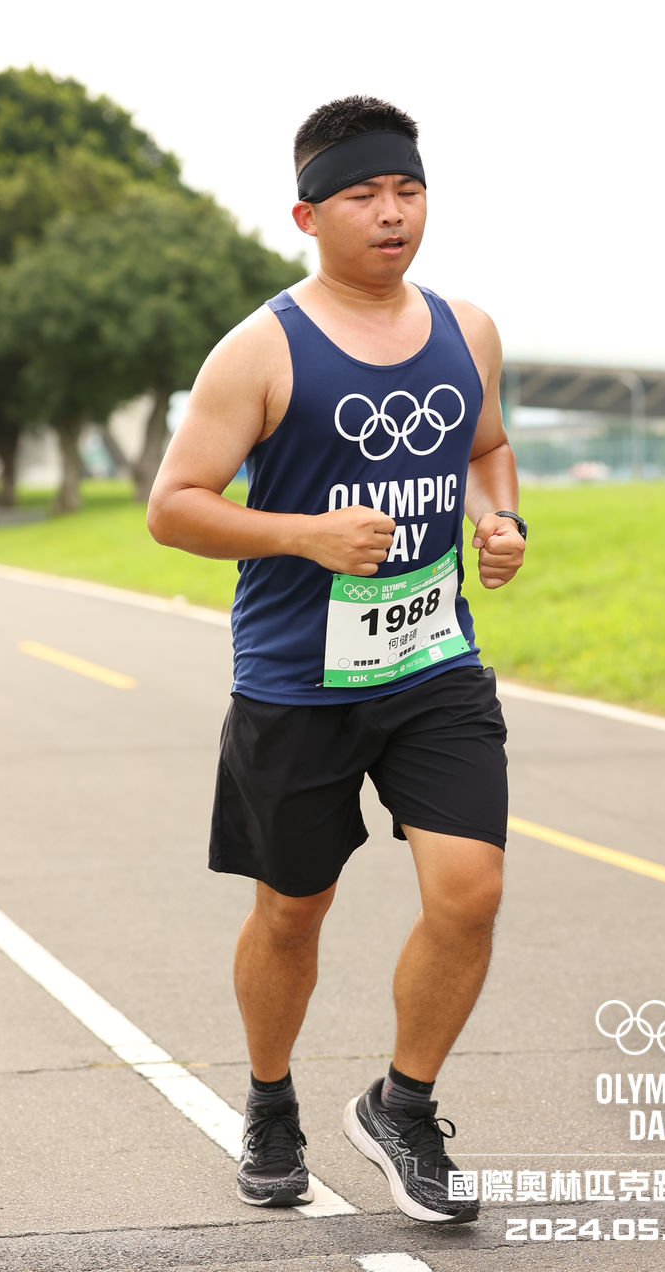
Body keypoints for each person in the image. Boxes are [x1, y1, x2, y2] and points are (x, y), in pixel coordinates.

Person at [147, 95, 527, 1225]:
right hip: (295, 681)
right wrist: (304, 534)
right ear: (308, 215)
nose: (391, 212)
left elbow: (487, 447)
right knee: (291, 911)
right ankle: (270, 1102)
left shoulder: (468, 329)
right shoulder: (261, 349)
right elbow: (174, 506)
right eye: (363, 194)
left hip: (432, 662)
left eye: (407, 190)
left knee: (471, 891)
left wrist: (499, 519)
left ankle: (402, 1105)